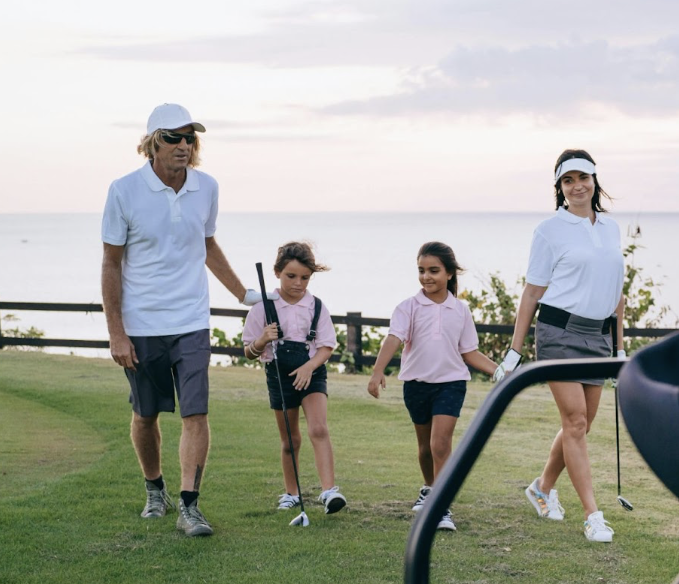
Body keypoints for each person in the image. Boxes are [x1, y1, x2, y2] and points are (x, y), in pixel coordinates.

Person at [101, 103, 272, 537]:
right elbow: (111, 263)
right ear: (152, 143)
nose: (183, 145)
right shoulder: (123, 191)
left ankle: (190, 506)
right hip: (141, 325)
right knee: (145, 416)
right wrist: (116, 332)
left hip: (192, 320)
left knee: (196, 413)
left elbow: (207, 244)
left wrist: (243, 295)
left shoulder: (206, 187)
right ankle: (154, 488)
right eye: (173, 137)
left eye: (190, 137)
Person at [495, 149, 627, 543]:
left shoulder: (611, 228)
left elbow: (617, 293)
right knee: (575, 422)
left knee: (581, 424)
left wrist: (620, 348)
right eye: (568, 180)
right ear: (559, 187)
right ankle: (593, 515)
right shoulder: (549, 231)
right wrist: (514, 351)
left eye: (583, 177)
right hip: (559, 333)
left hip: (598, 337)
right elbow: (532, 292)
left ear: (595, 180)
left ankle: (541, 487)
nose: (577, 186)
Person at [367, 241, 499, 531]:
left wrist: (499, 371)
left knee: (441, 444)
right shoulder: (408, 307)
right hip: (416, 386)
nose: (426, 277)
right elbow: (394, 338)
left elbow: (469, 352)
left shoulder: (460, 310)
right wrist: (377, 371)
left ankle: (441, 507)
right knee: (425, 448)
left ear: (449, 273)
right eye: (421, 270)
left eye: (434, 271)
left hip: (451, 384)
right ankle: (429, 488)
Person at [242, 241, 346, 515]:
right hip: (279, 376)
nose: (298, 283)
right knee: (290, 440)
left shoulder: (317, 306)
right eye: (291, 276)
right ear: (277, 272)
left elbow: (326, 346)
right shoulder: (261, 309)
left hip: (312, 372)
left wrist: (309, 367)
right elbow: (249, 352)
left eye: (305, 278)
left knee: (319, 429)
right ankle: (291, 493)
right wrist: (262, 340)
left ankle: (329, 491)